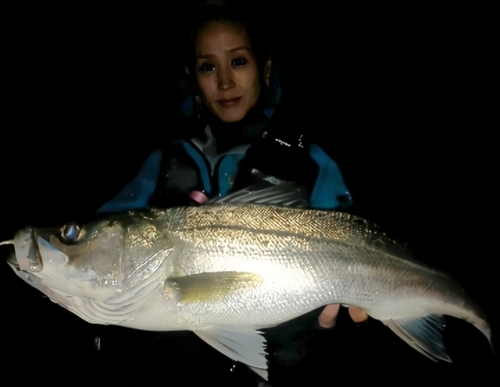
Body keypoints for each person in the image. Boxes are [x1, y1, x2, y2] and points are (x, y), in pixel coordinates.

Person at [98, 1, 367, 340]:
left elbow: (360, 243)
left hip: (289, 369)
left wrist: (332, 325)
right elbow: (110, 236)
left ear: (265, 69)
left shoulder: (308, 160)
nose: (225, 82)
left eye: (238, 62)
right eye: (208, 67)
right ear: (191, 78)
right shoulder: (166, 160)